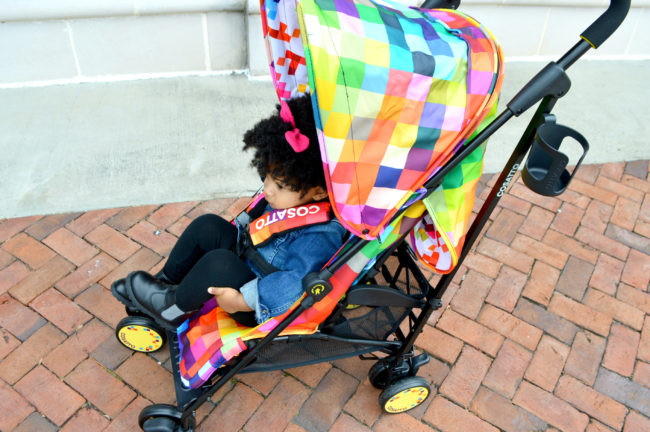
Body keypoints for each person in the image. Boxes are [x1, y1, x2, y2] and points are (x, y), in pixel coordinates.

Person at [111, 95, 346, 328]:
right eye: (267, 176)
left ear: (318, 192)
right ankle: (166, 284)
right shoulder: (288, 201)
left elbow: (294, 284)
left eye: (280, 186)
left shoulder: (320, 234)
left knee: (219, 263)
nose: (268, 190)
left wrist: (242, 301)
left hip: (255, 301)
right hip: (248, 256)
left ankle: (171, 308)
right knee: (207, 226)